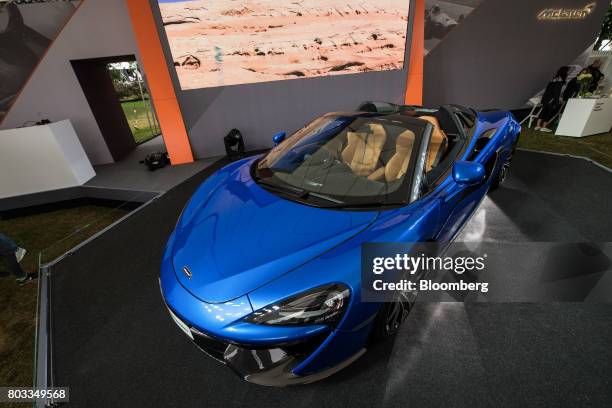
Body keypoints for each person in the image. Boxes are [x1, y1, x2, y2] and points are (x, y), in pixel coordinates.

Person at [535, 66, 570, 133]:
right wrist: (556, 101)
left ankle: (538, 126)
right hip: (551, 99)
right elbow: (556, 93)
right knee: (548, 113)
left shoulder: (554, 79)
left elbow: (547, 90)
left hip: (546, 98)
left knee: (543, 111)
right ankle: (544, 127)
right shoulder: (560, 81)